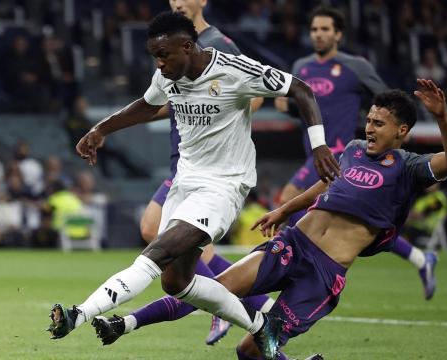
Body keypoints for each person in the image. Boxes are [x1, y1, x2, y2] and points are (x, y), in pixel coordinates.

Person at [92, 80, 447, 359]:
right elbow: (325, 181)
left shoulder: (410, 167)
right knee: (214, 289)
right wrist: (286, 210)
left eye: (379, 124)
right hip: (292, 244)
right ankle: (124, 323)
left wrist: (443, 117)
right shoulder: (351, 150)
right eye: (368, 120)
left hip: (322, 274)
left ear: (401, 131)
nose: (369, 128)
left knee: (249, 352)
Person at [47, 12, 339, 360]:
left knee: (155, 254)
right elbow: (146, 104)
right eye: (154, 56)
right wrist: (101, 130)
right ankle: (263, 325)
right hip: (184, 184)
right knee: (176, 282)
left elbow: (300, 89)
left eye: (164, 55)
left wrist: (319, 144)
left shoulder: (235, 71)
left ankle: (78, 314)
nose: (159, 63)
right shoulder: (166, 75)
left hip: (223, 187)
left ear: (187, 46)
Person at [276, 5, 438, 300]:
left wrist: (374, 123)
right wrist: (285, 105)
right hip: (312, 153)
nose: (319, 34)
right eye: (314, 29)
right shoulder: (301, 67)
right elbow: (297, 109)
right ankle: (419, 259)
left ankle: (290, 267)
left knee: (289, 199)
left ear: (338, 34)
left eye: (325, 29)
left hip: (341, 154)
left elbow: (386, 101)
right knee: (351, 220)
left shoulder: (355, 65)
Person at [138, 0, 269, 345]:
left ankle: (221, 308)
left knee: (167, 233)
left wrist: (220, 118)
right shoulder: (172, 43)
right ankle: (258, 302)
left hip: (207, 164)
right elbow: (167, 100)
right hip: (181, 158)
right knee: (158, 231)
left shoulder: (220, 44)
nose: (178, 1)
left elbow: (255, 95)